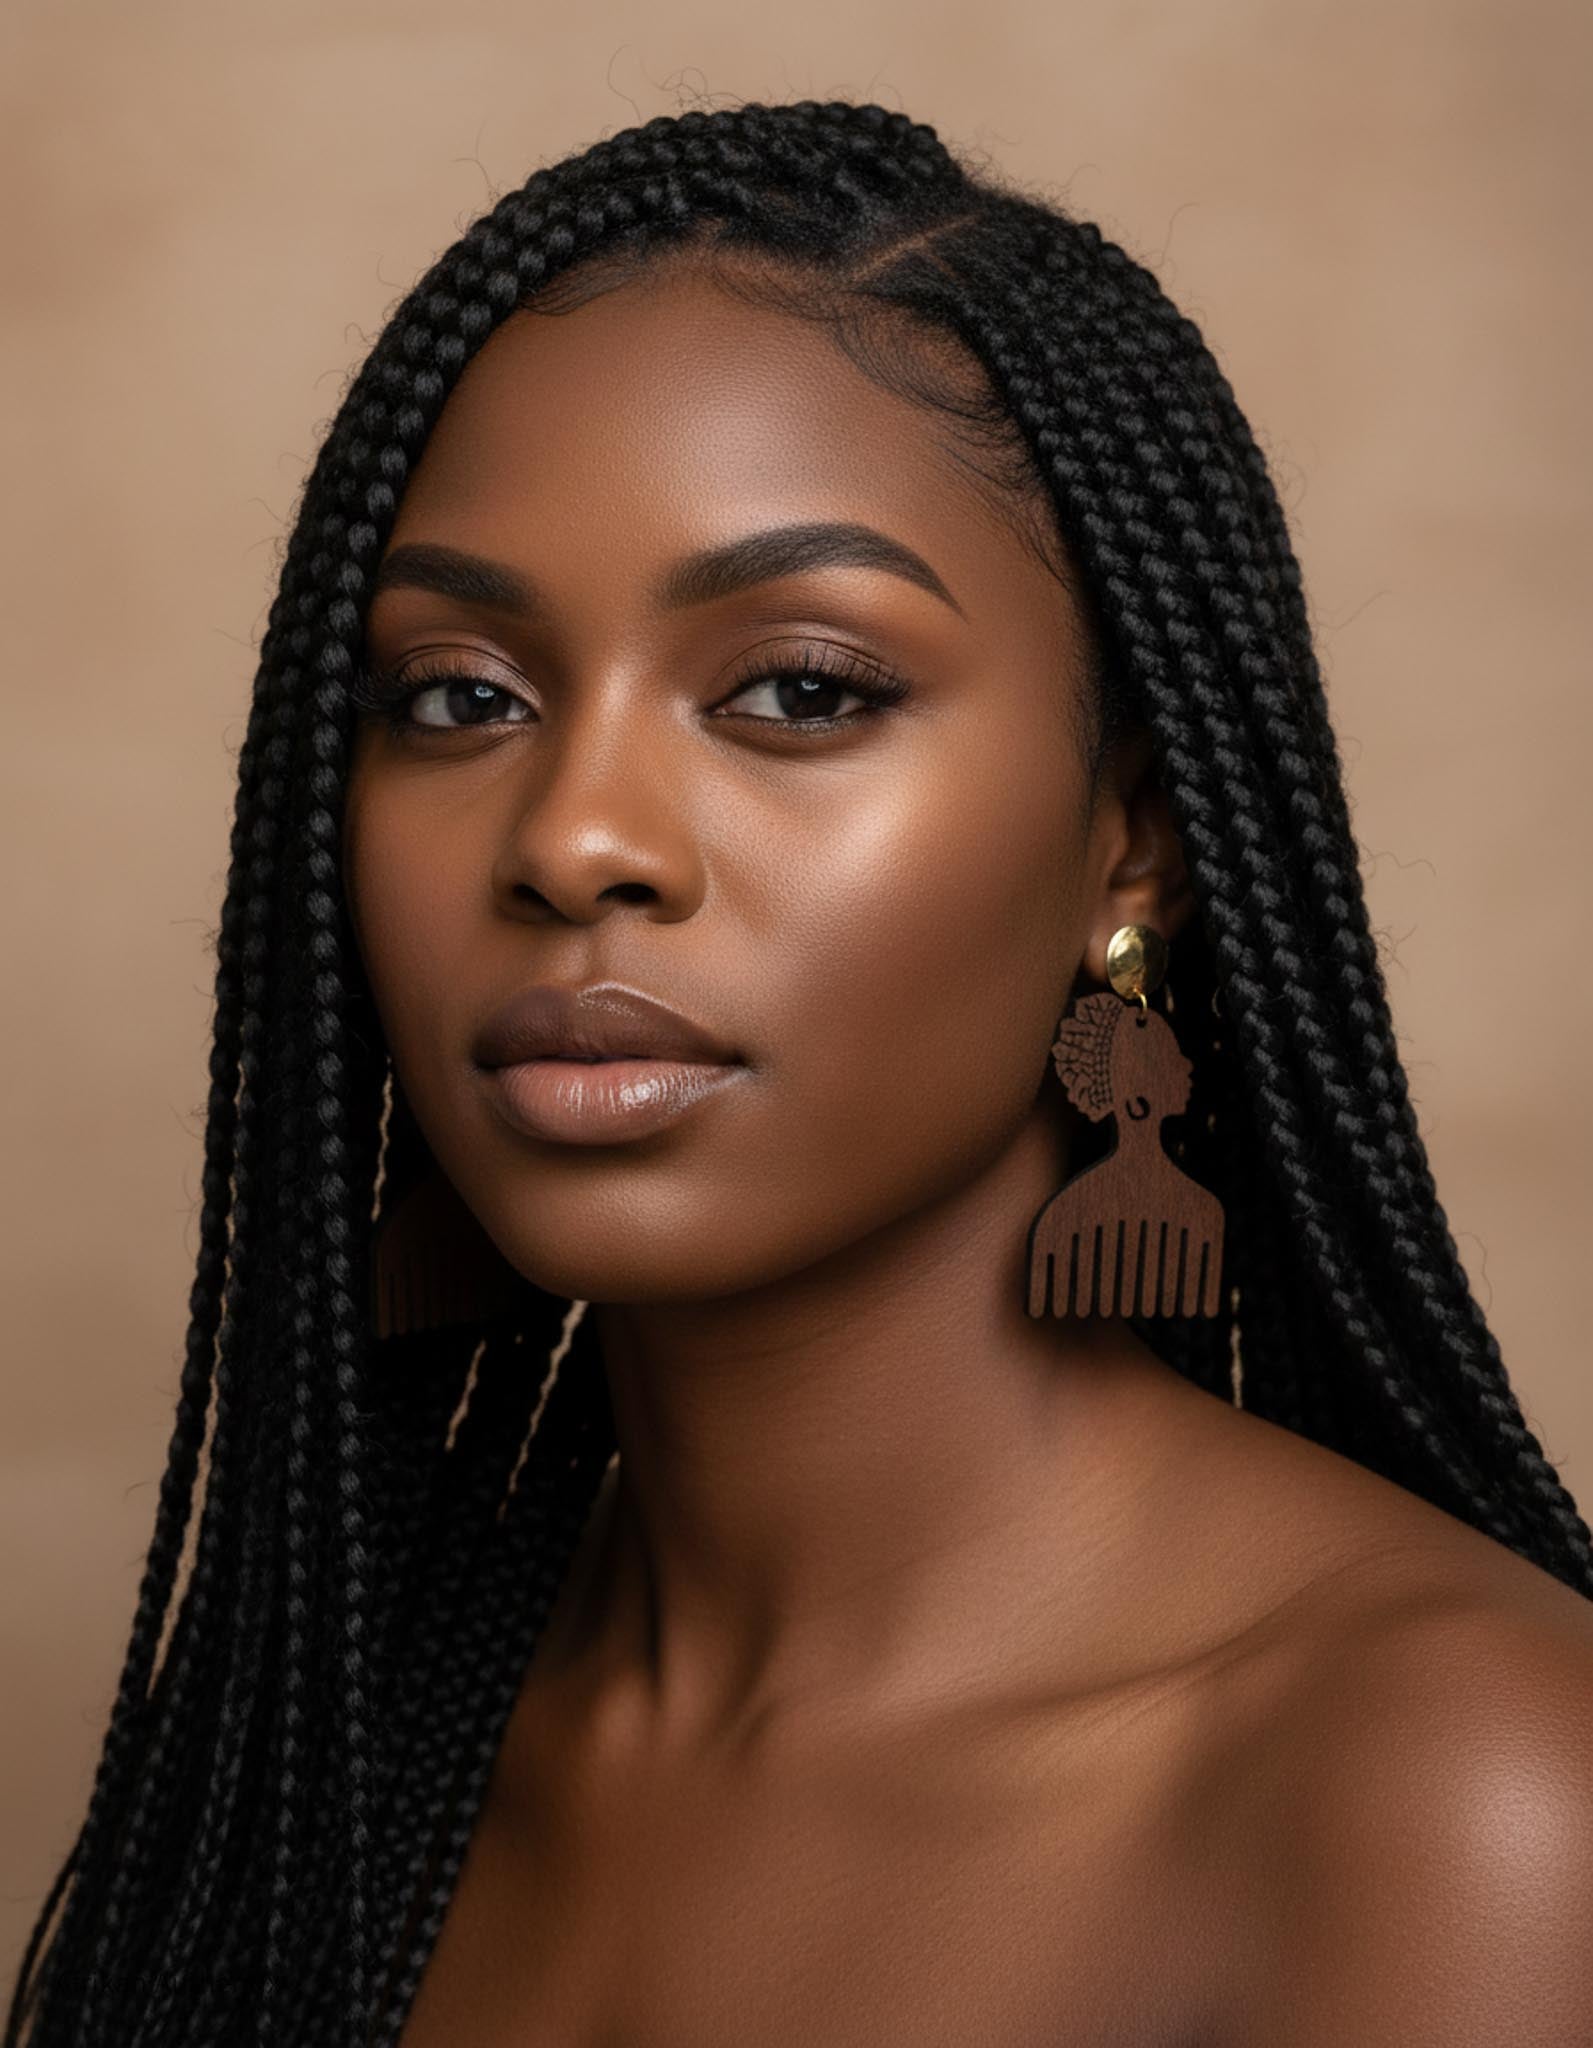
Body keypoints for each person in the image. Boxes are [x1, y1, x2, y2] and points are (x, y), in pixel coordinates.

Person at [9, 97, 1593, 2048]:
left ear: (1135, 837)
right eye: (458, 696)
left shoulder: (1464, 1807)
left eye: (798, 689)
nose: (573, 836)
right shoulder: (341, 1736)